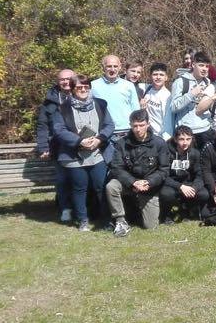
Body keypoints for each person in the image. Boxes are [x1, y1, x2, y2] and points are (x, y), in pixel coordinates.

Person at [52, 74, 114, 231]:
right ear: (72, 89)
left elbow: (109, 125)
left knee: (101, 186)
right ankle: (83, 220)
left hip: (97, 154)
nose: (83, 90)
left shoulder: (100, 104)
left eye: (86, 87)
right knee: (79, 188)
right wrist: (79, 141)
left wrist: (99, 139)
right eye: (79, 87)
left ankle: (106, 219)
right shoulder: (62, 108)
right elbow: (59, 130)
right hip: (74, 156)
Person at [106, 110, 170, 237]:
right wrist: (133, 182)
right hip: (128, 183)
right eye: (135, 126)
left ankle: (136, 210)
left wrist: (149, 182)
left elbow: (164, 170)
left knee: (150, 226)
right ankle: (120, 221)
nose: (138, 129)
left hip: (149, 186)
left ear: (148, 124)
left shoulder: (159, 143)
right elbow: (116, 168)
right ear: (130, 125)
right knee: (111, 186)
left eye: (141, 125)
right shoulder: (121, 143)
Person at [36, 68, 74, 222]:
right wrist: (43, 147)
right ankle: (65, 209)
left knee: (81, 179)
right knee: (63, 179)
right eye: (62, 79)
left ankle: (84, 208)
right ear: (58, 82)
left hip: (79, 144)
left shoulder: (83, 93)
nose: (65, 82)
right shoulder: (50, 100)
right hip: (57, 146)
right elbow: (42, 125)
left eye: (69, 78)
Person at [90, 54, 140, 159]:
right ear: (103, 67)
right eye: (109, 66)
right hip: (105, 135)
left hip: (126, 133)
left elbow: (136, 111)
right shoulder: (93, 86)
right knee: (110, 167)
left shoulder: (128, 86)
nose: (112, 69)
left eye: (115, 66)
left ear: (120, 67)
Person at [158, 125, 208, 223]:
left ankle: (188, 210)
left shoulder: (195, 153)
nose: (185, 143)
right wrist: (180, 186)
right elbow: (163, 175)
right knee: (166, 194)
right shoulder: (166, 152)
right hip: (171, 184)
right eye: (181, 139)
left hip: (188, 183)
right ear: (175, 139)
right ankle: (166, 214)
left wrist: (194, 187)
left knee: (204, 194)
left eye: (188, 139)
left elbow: (199, 175)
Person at [169, 51, 216, 149]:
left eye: (206, 66)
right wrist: (191, 94)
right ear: (193, 65)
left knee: (206, 163)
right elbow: (173, 107)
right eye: (201, 65)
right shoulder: (180, 82)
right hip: (187, 134)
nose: (204, 69)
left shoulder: (208, 82)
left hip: (206, 130)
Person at [144, 63, 173, 140]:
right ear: (150, 76)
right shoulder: (147, 90)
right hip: (148, 135)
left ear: (166, 77)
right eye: (155, 74)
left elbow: (168, 122)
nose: (158, 77)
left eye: (161, 75)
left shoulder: (167, 96)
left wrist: (166, 139)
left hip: (161, 137)